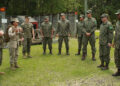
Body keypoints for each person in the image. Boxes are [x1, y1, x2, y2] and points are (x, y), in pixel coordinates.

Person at [112, 9, 120, 76]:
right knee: (117, 57)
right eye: (117, 15)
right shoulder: (117, 23)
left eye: (118, 14)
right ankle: (118, 71)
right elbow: (116, 34)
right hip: (117, 44)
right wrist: (114, 42)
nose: (118, 16)